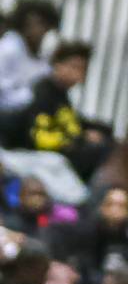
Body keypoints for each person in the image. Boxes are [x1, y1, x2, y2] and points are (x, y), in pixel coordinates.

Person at [2, 41, 112, 181]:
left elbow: (74, 121)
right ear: (57, 65)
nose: (78, 74)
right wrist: (80, 139)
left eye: (83, 69)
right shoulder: (42, 93)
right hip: (31, 156)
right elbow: (40, 137)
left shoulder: (61, 95)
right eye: (74, 67)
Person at [0, 0, 60, 113]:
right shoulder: (8, 48)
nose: (36, 30)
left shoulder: (42, 52)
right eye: (31, 24)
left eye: (42, 24)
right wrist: (33, 97)